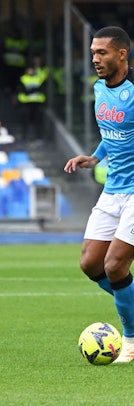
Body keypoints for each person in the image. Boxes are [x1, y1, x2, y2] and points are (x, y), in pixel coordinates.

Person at [64, 26, 134, 363]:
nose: (95, 59)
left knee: (116, 265)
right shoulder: (99, 89)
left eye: (102, 52)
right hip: (113, 189)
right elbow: (114, 132)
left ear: (122, 54)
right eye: (93, 53)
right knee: (91, 264)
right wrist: (95, 156)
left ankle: (131, 343)